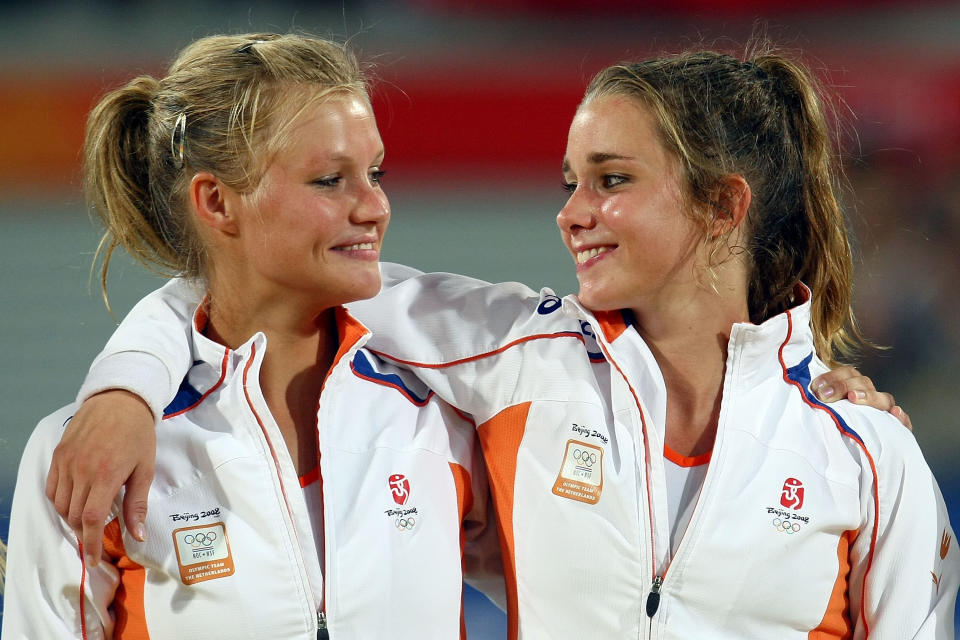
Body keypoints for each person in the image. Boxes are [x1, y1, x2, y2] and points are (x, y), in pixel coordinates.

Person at [43, 41, 954, 637]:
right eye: (569, 180)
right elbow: (258, 279)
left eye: (610, 179)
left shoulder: (865, 453)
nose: (572, 214)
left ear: (723, 205)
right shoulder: (524, 357)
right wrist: (128, 384)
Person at [1, 32, 498, 639]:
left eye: (374, 172)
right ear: (216, 202)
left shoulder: (444, 417)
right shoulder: (87, 457)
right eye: (328, 180)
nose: (375, 207)